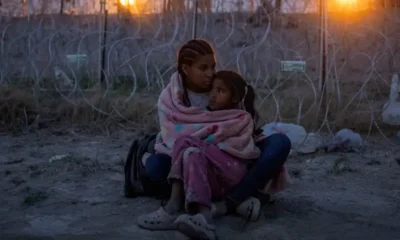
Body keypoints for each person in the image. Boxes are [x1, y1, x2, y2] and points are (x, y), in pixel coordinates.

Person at [140, 39, 291, 222]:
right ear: (186, 69)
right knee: (157, 166)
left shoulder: (223, 85)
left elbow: (241, 125)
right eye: (203, 68)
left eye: (213, 66)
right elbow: (174, 138)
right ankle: (242, 197)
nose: (210, 73)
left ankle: (228, 202)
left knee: (280, 143)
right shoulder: (171, 99)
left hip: (231, 156)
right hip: (189, 158)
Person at [138, 70, 263, 239]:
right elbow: (204, 139)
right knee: (191, 153)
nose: (212, 95)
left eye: (220, 91)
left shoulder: (241, 117)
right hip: (215, 177)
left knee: (184, 142)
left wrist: (192, 141)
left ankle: (173, 204)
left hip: (232, 169)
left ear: (234, 98)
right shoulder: (207, 115)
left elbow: (232, 145)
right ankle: (205, 219)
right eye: (212, 90)